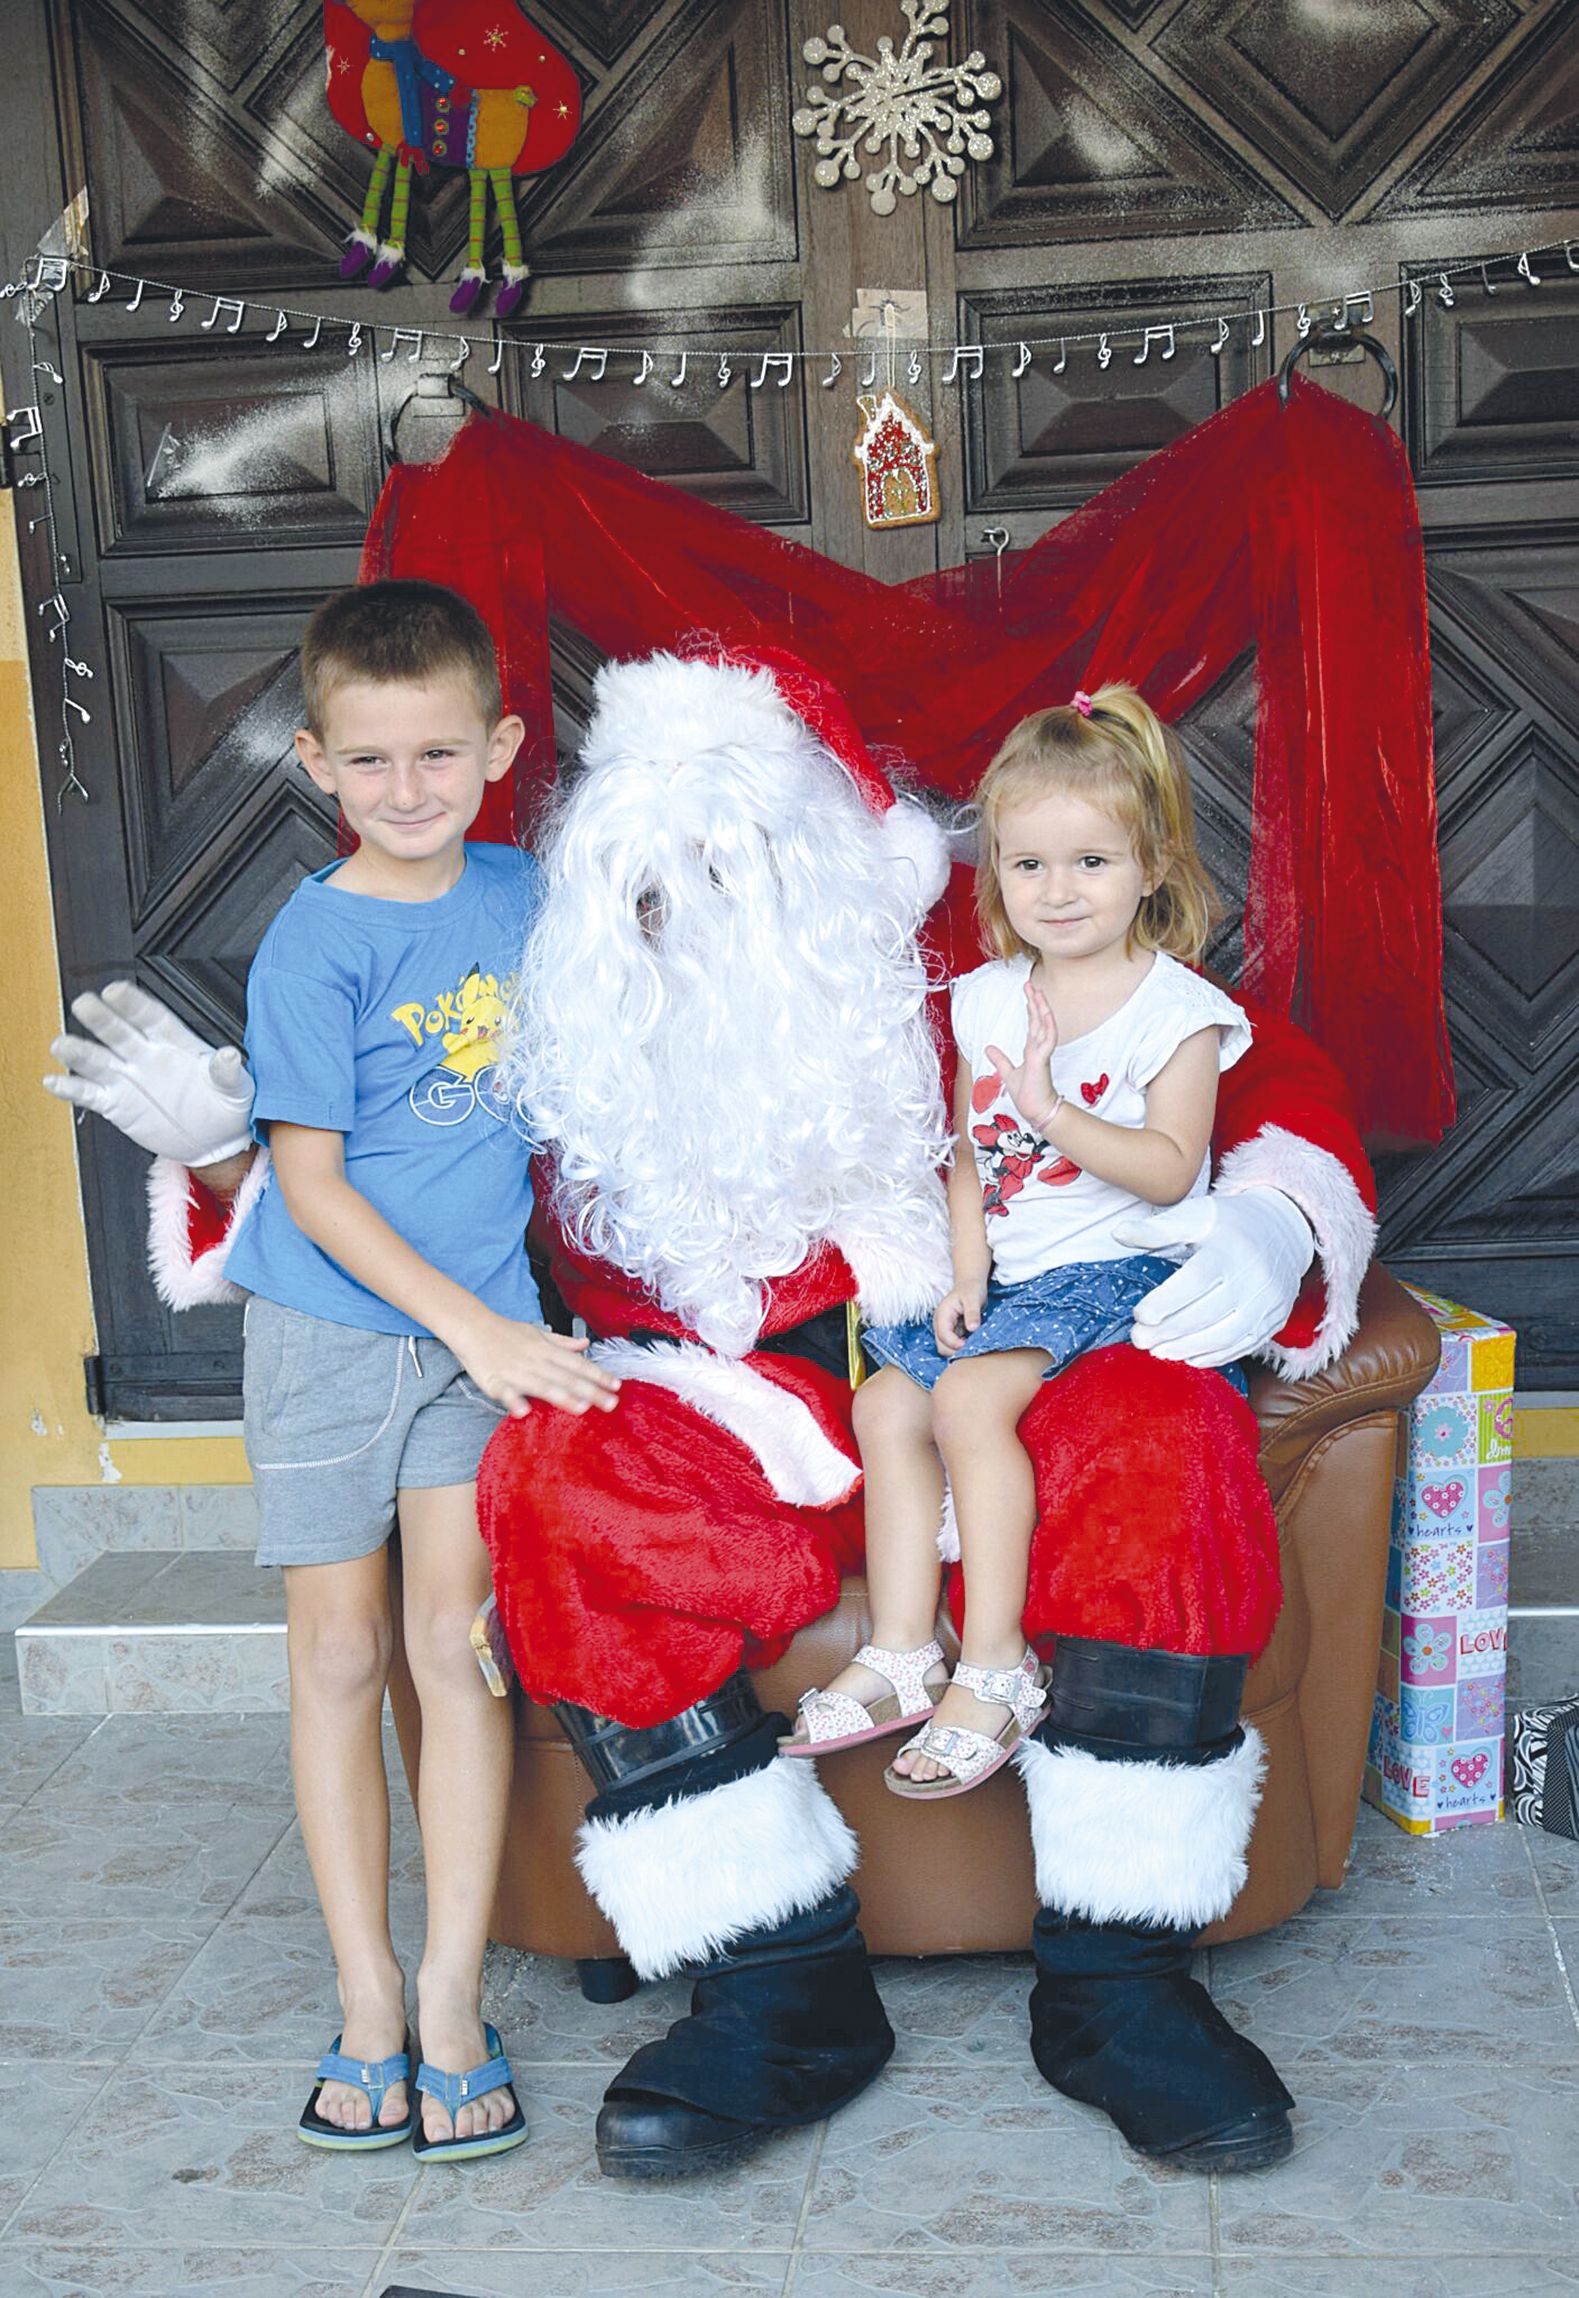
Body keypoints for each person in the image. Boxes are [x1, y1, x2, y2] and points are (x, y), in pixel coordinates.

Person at [54, 643, 1375, 2185]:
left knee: (1165, 1436)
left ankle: (1120, 1983)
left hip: (984, 1365)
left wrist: (1274, 1214)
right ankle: (775, 1979)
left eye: (722, 873)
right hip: (708, 1400)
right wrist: (235, 1165)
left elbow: (1249, 1064)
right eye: (642, 888)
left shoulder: (967, 944)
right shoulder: (558, 1027)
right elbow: (395, 1172)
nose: (673, 919)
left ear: (830, 875)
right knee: (552, 1474)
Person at [49, 579, 621, 2163]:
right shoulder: (315, 940)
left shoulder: (524, 897)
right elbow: (308, 1187)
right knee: (339, 1660)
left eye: (440, 753)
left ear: (501, 744)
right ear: (313, 761)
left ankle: (449, 1996)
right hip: (329, 1335)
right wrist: (484, 1329)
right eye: (369, 762)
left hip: (474, 1337)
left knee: (455, 1646)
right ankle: (364, 1994)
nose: (408, 789)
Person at [785, 686, 1254, 1798]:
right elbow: (964, 1155)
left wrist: (1053, 1112)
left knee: (964, 1402)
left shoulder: (1174, 1010)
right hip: (1016, 1273)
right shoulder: (986, 998)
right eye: (1026, 864)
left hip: (1125, 1263)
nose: (1057, 891)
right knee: (884, 1402)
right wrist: (963, 1272)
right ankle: (903, 1652)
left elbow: (1171, 1168)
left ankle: (995, 1667)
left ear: (1151, 866)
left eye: (1091, 862)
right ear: (992, 871)